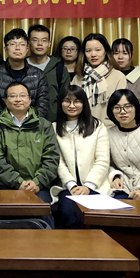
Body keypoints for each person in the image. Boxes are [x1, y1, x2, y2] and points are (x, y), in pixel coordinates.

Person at [0, 82, 60, 213]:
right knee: (5, 217)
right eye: (13, 96)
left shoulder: (44, 125)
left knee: (42, 215)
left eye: (22, 95)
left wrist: (37, 182)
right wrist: (18, 183)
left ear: (30, 100)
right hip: (6, 185)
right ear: (5, 101)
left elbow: (52, 158)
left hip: (38, 186)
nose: (18, 99)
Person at [50, 85, 110, 228]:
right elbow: (58, 161)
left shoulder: (97, 126)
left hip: (95, 186)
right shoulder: (54, 127)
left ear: (84, 103)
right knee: (68, 212)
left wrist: (88, 186)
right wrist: (71, 185)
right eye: (67, 101)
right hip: (67, 187)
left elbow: (102, 160)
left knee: (96, 215)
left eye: (77, 101)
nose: (72, 106)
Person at [0, 28, 49, 120]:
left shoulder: (39, 75)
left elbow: (43, 104)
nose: (17, 48)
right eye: (12, 44)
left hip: (33, 124)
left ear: (27, 49)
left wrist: (29, 122)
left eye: (22, 44)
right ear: (5, 49)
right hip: (3, 124)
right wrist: (9, 122)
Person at [72, 33, 127, 129]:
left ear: (105, 51)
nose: (93, 54)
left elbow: (121, 107)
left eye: (98, 50)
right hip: (82, 128)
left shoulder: (118, 76)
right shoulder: (78, 77)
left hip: (110, 129)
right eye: (88, 51)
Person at [27, 24, 70, 122]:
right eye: (35, 40)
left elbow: (66, 98)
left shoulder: (59, 68)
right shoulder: (21, 66)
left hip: (53, 123)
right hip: (24, 123)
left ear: (49, 44)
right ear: (28, 43)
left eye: (44, 40)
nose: (40, 44)